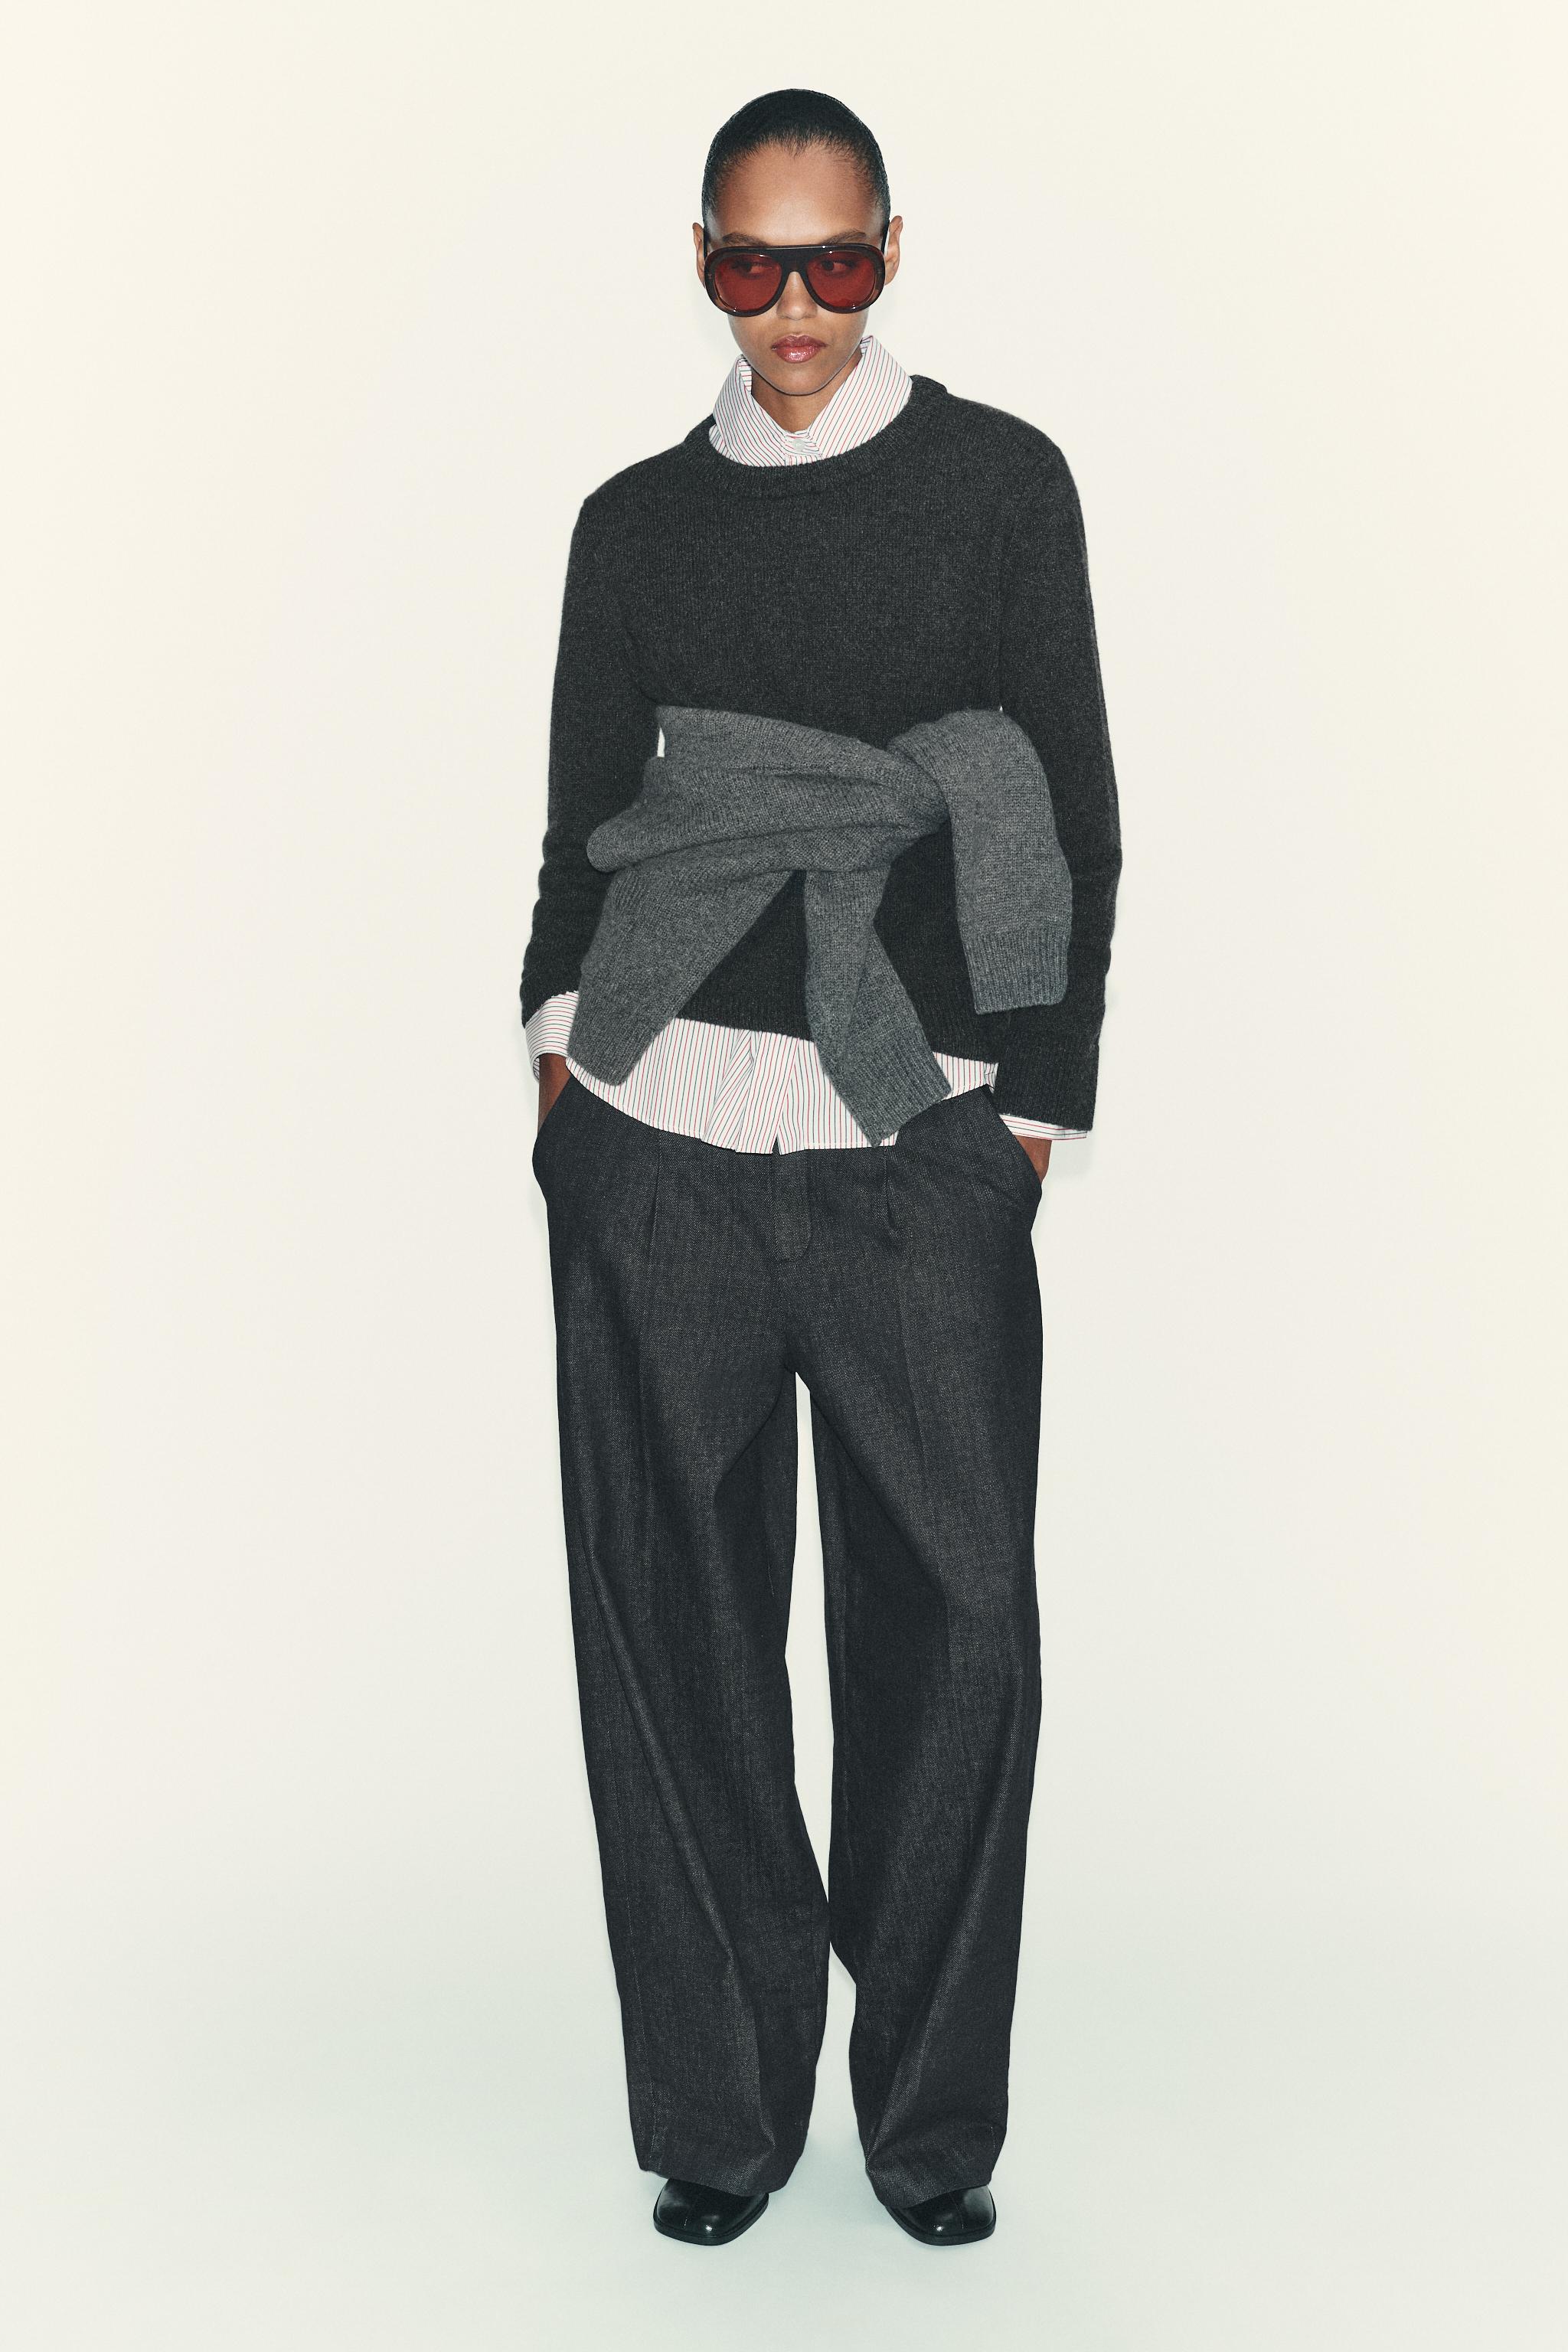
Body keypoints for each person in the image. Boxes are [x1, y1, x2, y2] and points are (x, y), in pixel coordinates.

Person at [518, 87, 1121, 2249]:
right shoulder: (634, 524)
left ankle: (930, 2129)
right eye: (754, 262)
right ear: (703, 257)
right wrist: (559, 1069)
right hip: (659, 1130)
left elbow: (1072, 796)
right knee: (671, 1630)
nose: (795, 304)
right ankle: (721, 2116)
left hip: (917, 1129)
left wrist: (1028, 1113)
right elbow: (582, 817)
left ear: (890, 252)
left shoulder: (1000, 484)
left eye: (836, 259)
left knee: (960, 1625)